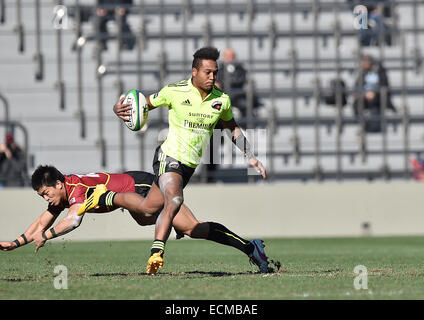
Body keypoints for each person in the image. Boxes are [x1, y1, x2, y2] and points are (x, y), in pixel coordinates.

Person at [79, 47, 268, 275]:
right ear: (194, 71)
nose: (212, 77)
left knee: (162, 216)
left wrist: (251, 156)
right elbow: (141, 104)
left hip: (188, 168)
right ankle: (157, 252)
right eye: (207, 72)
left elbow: (232, 128)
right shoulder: (174, 91)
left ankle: (250, 248)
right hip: (168, 158)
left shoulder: (221, 101)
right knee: (175, 198)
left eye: (215, 73)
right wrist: (118, 108)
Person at [0, 165, 274, 274]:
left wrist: (45, 237)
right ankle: (252, 248)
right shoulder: (63, 194)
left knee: (184, 225)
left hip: (141, 187)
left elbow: (72, 221)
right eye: (42, 196)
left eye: (47, 193)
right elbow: (41, 221)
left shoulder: (76, 191)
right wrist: (15, 243)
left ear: (59, 184)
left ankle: (251, 248)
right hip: (133, 197)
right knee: (187, 227)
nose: (47, 200)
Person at [352, 54, 396, 133]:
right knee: (356, 103)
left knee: (374, 102)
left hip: (378, 96)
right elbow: (357, 85)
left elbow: (384, 85)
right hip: (365, 96)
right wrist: (359, 93)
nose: (364, 63)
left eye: (366, 61)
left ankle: (374, 127)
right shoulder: (363, 72)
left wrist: (375, 92)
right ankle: (361, 124)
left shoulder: (379, 71)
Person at [215, 48, 261, 118]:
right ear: (224, 57)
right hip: (224, 96)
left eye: (231, 57)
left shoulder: (240, 68)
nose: (229, 59)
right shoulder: (219, 70)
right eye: (227, 56)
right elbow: (217, 81)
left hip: (238, 96)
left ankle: (245, 127)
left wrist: (227, 81)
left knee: (246, 106)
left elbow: (242, 79)